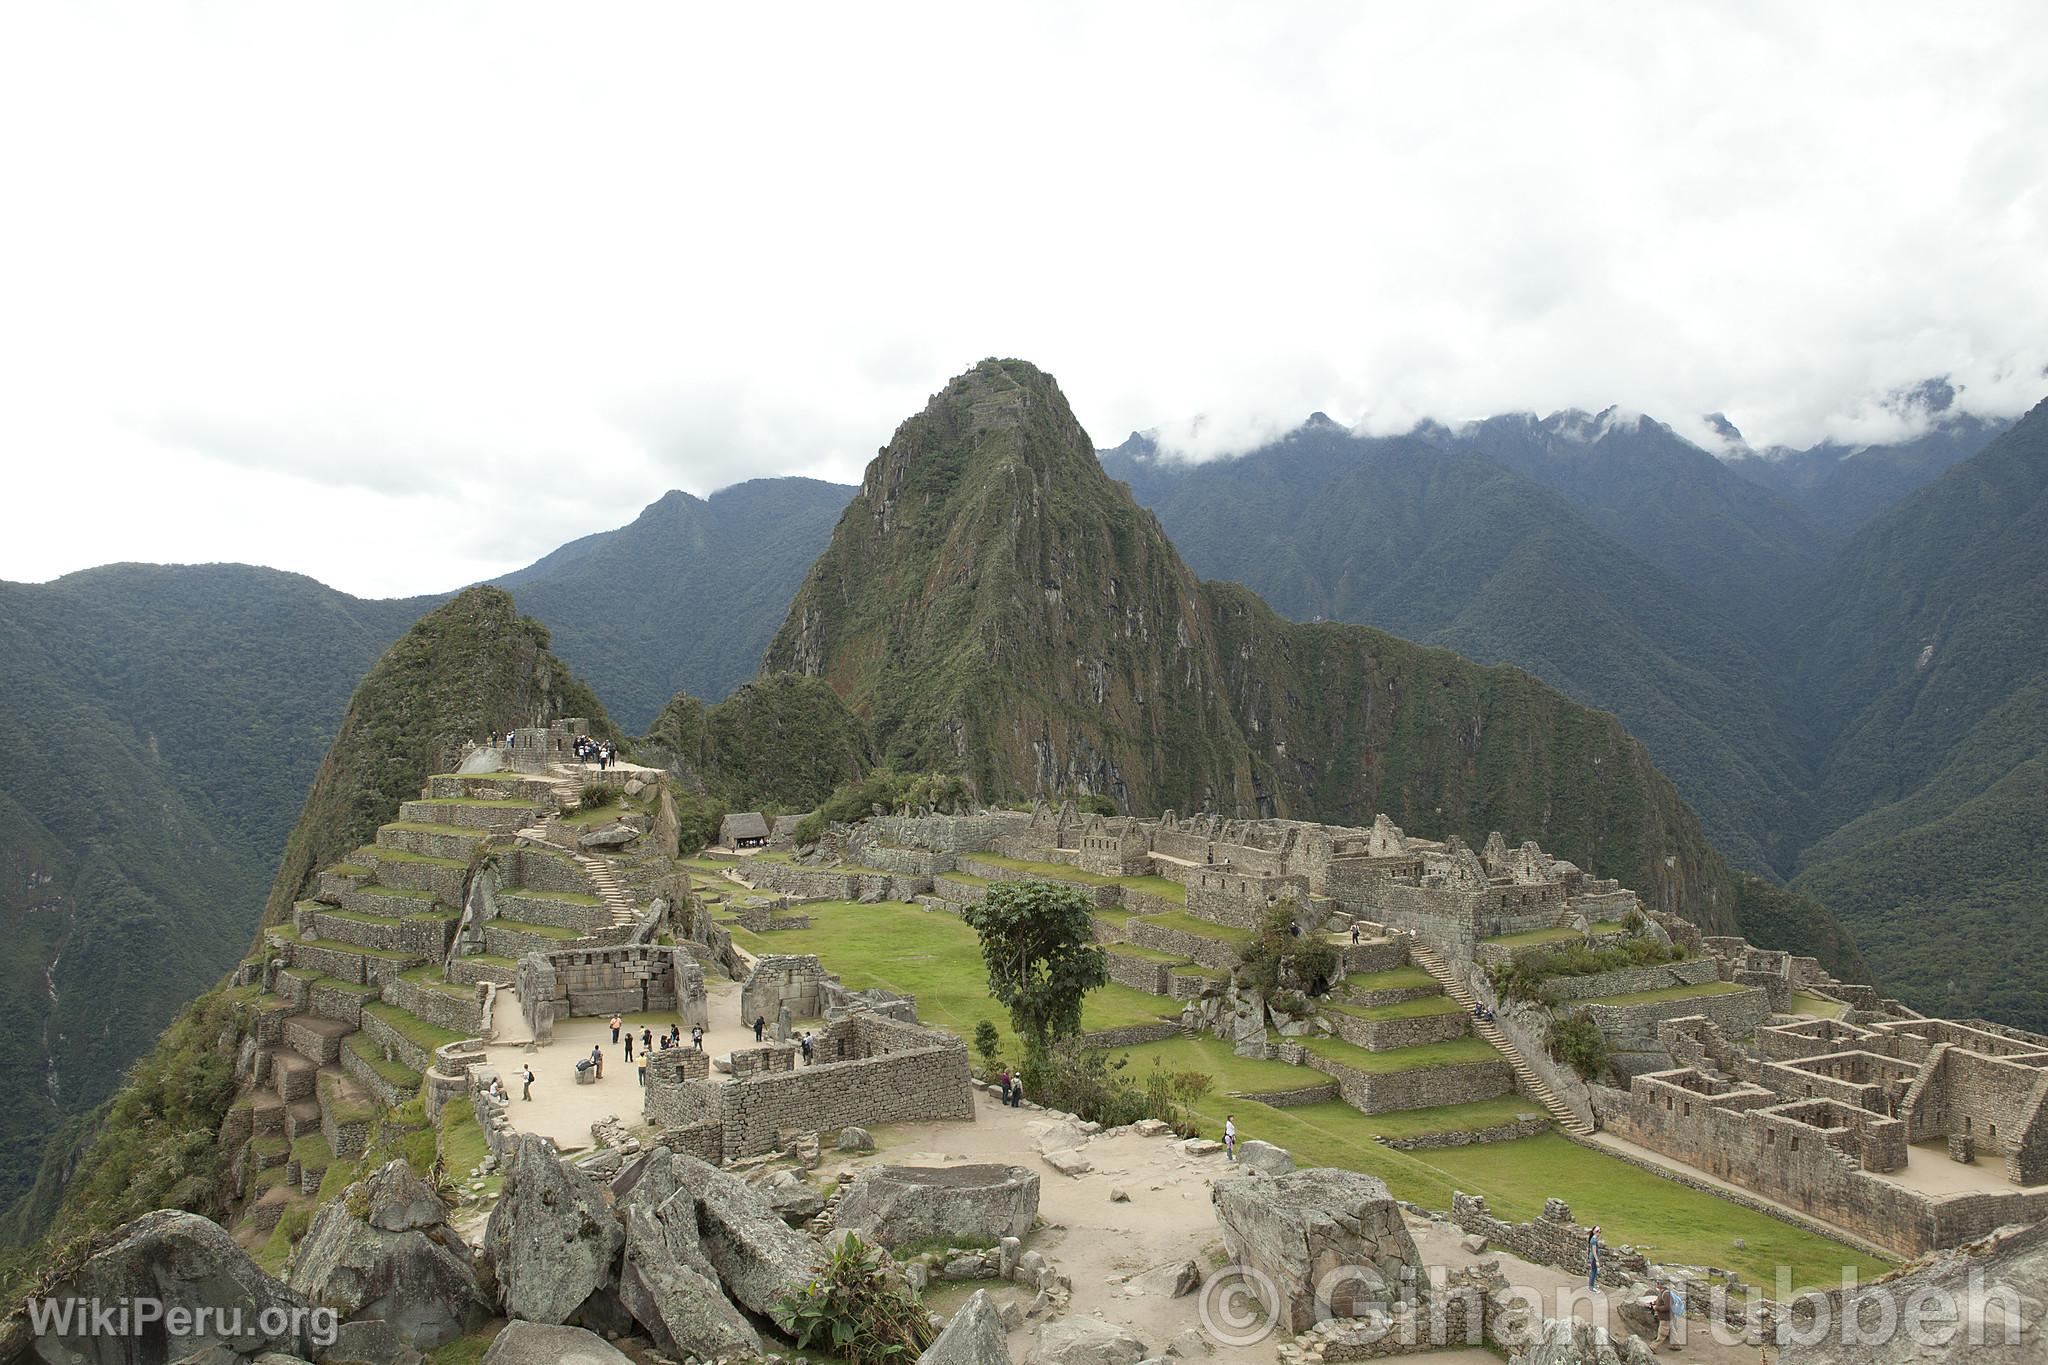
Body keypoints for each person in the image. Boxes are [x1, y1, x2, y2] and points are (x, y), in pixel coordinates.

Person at [1651, 1282, 1675, 1352]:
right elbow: (1660, 1300)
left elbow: (1667, 1307)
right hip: (1668, 1316)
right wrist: (1654, 1302)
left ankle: (1654, 1347)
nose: (1656, 1284)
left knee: (1662, 1333)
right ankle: (1676, 1345)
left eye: (1658, 1283)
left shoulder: (1666, 1294)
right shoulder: (1662, 1292)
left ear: (1661, 1285)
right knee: (1672, 1331)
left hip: (1665, 1317)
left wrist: (1657, 1308)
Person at [1585, 1226, 1603, 1290]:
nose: (1599, 1232)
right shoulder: (1593, 1240)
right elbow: (1594, 1251)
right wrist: (1597, 1261)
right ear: (1594, 1232)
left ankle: (1593, 1284)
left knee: (1594, 1271)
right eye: (1597, 1231)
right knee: (1594, 1271)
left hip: (1593, 1258)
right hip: (1593, 1259)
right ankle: (1591, 1287)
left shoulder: (1594, 1239)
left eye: (1600, 1231)